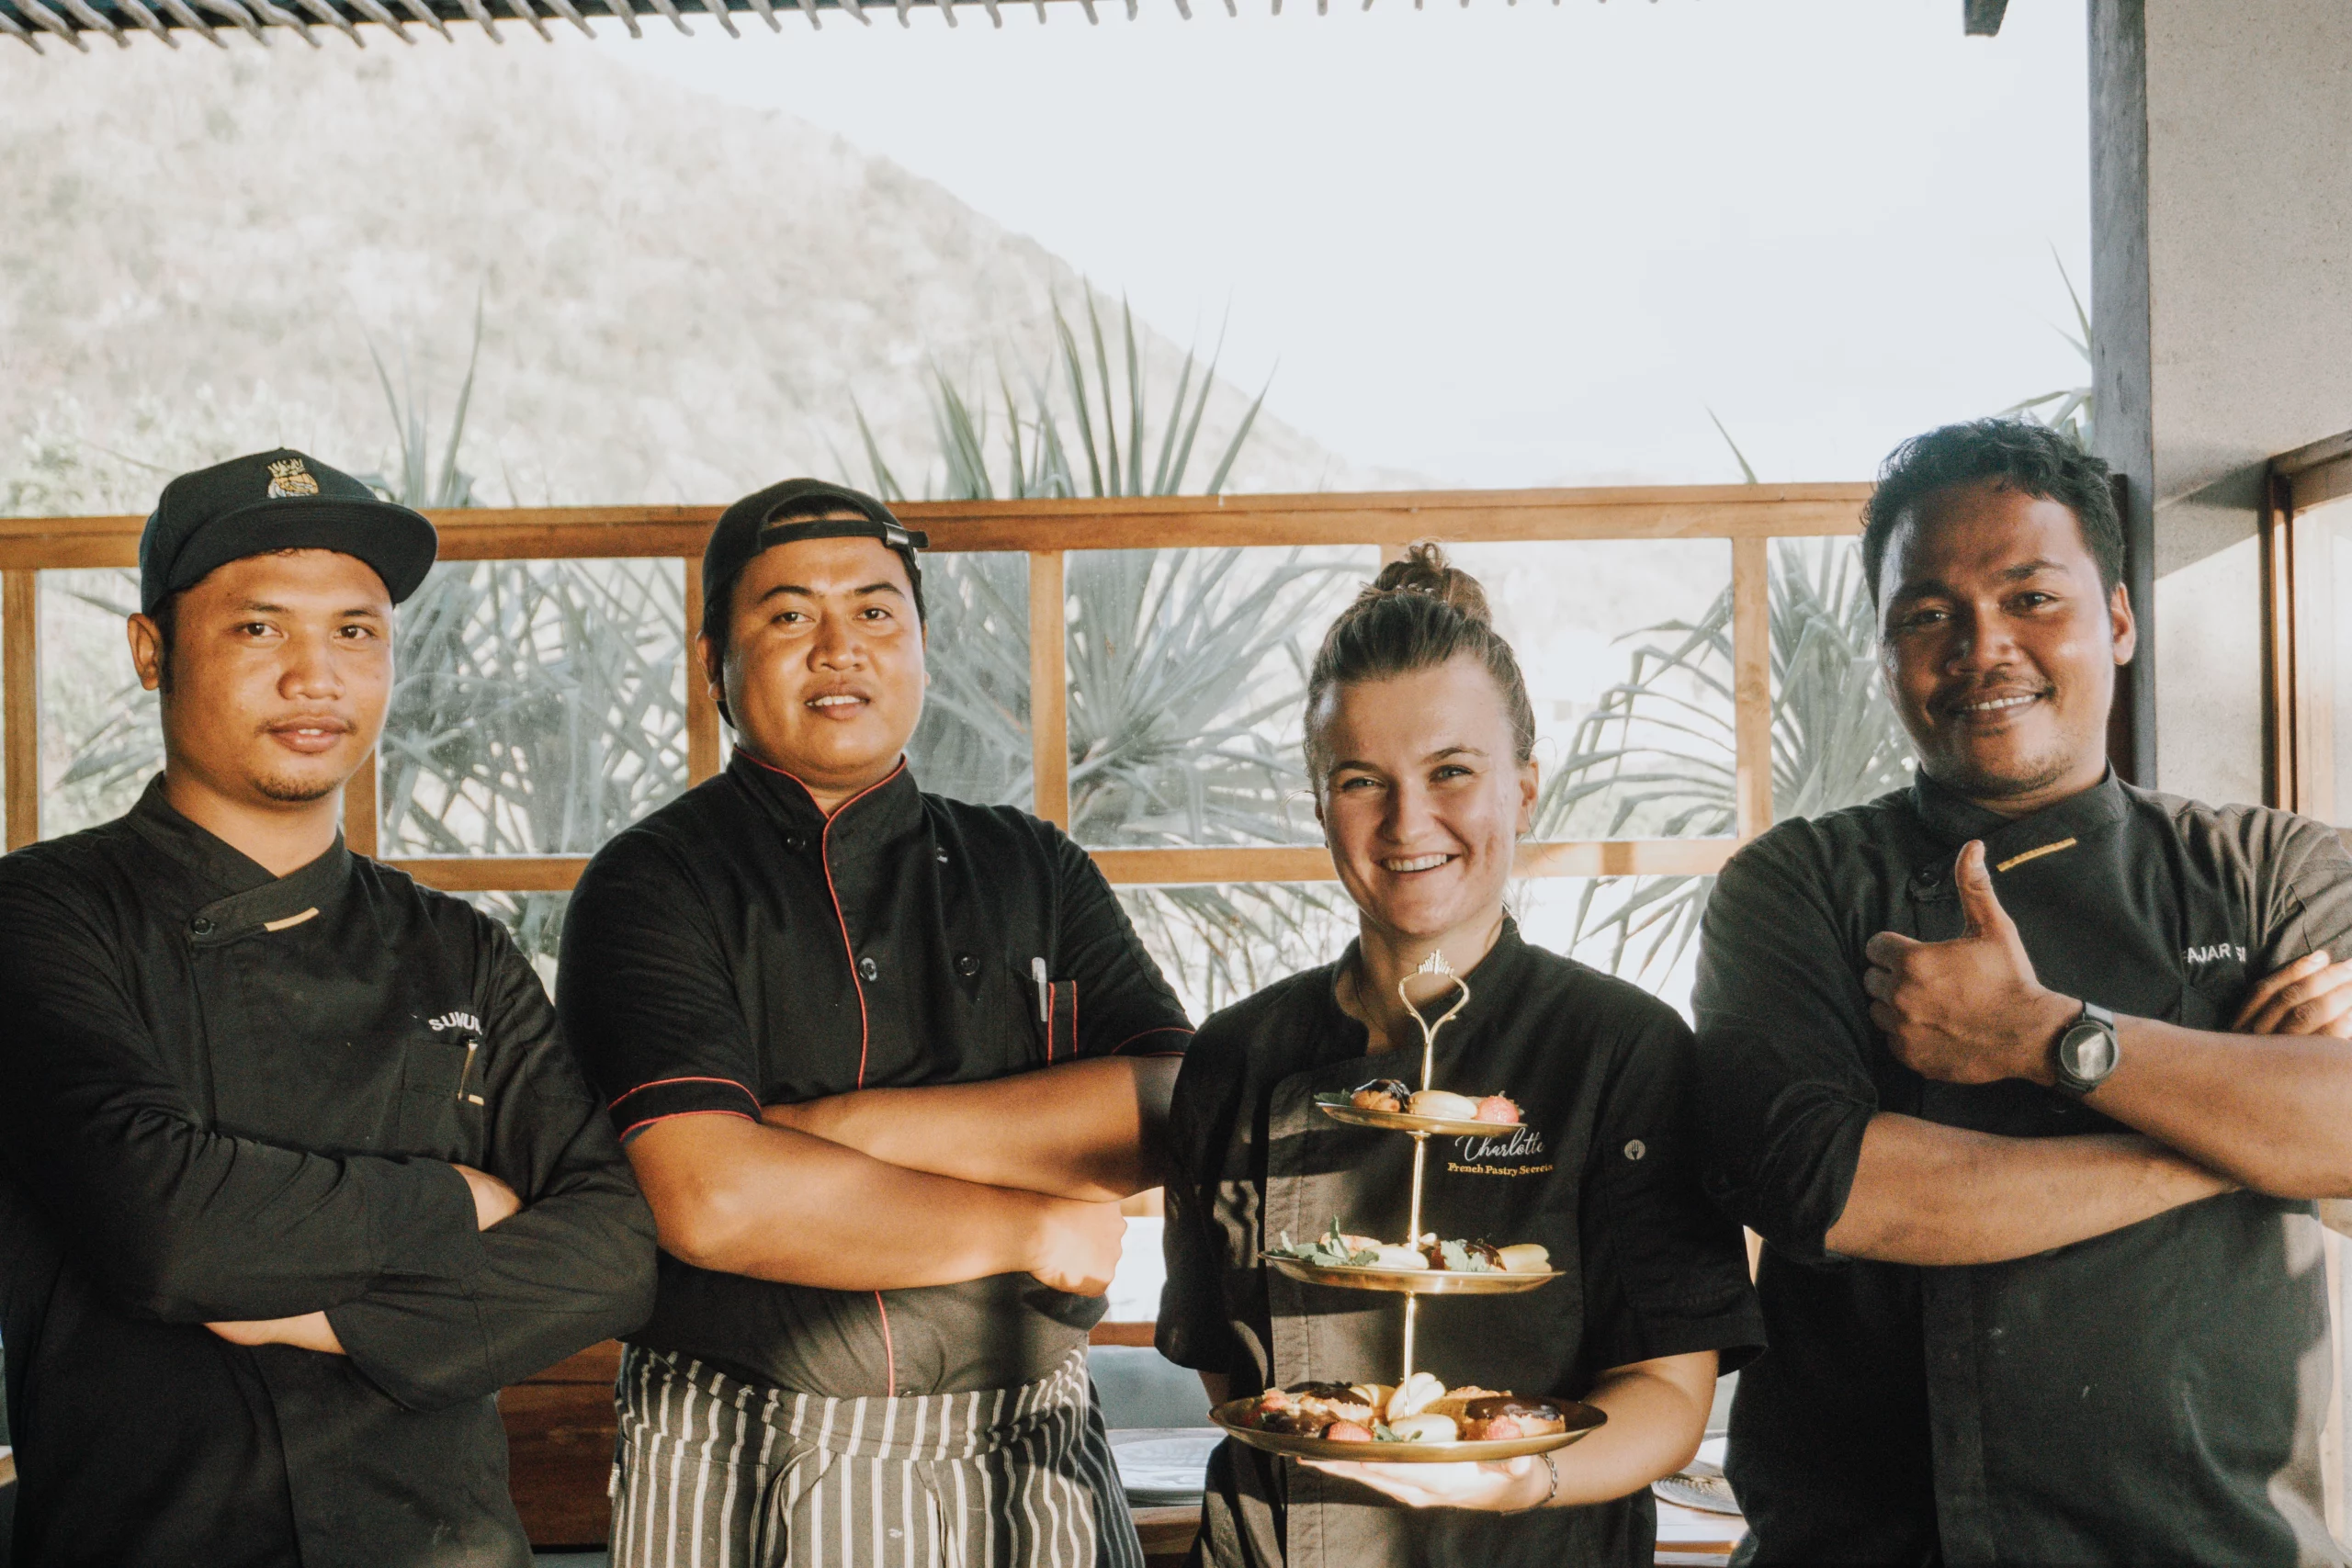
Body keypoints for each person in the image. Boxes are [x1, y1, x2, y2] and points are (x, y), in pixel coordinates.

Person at [1695, 419, 2352, 1566]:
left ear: (2119, 619)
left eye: (2031, 598)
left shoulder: (2269, 873)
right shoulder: (1794, 886)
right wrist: (2245, 1140)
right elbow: (1835, 1192)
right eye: (1926, 615)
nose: (1981, 648)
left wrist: (2046, 1036)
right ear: (1884, 651)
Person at [0, 448, 658, 1568]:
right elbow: (170, 1232)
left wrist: (322, 1317)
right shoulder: (42, 916)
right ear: (151, 651)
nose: (316, 677)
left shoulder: (458, 947)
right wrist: (460, 1198)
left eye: (355, 631)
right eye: (261, 629)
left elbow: (613, 1251)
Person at [559, 478, 1193, 1568]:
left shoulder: (1031, 865)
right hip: (747, 1440)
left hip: (1033, 1439)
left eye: (875, 611)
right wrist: (1034, 1227)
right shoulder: (650, 883)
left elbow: (1174, 1107)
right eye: (789, 615)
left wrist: (832, 1129)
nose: (839, 648)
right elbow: (711, 1198)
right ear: (713, 663)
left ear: (921, 648)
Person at [1155, 545, 1765, 1567]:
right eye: (1362, 781)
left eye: (1451, 772)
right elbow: (1228, 1370)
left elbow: (1669, 1389)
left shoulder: (1622, 1048)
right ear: (1318, 804)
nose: (1408, 821)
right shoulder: (1237, 1056)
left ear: (1523, 789)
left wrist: (1523, 1477)